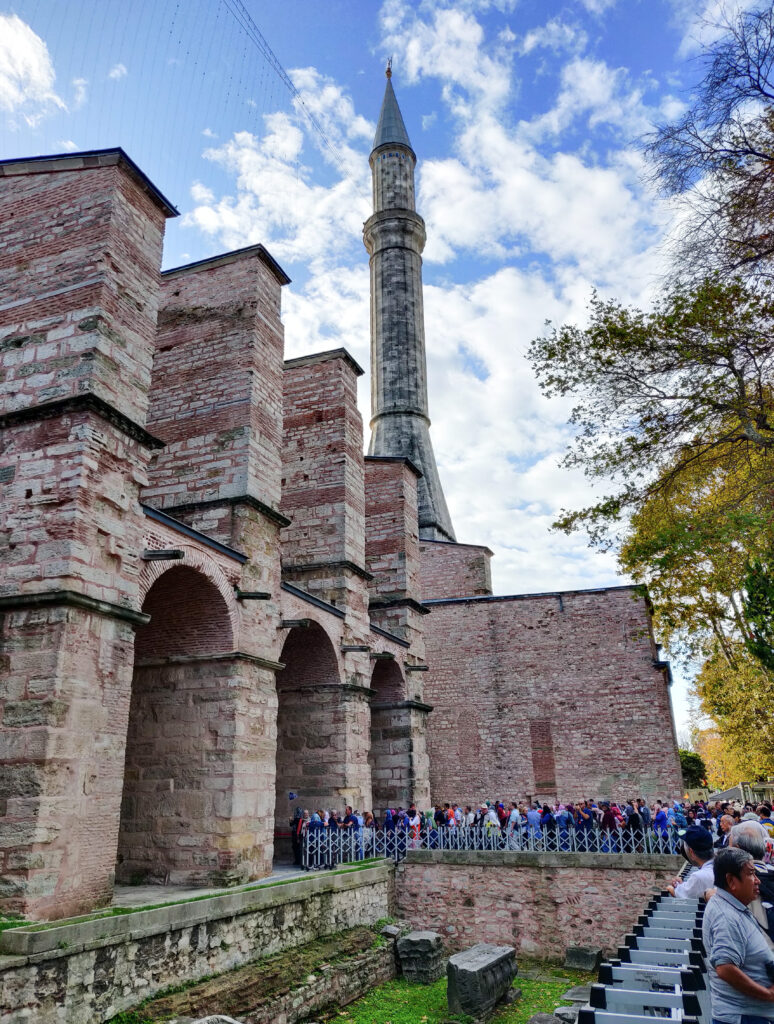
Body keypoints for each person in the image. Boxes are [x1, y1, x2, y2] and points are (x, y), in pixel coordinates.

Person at [702, 847, 774, 1024]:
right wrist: (767, 994)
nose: (757, 881)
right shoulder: (726, 917)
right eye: (751, 874)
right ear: (731, 881)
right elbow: (725, 968)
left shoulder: (731, 905)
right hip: (744, 1016)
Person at [668, 825, 715, 899]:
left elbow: (680, 894)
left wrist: (671, 888)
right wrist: (682, 885)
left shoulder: (698, 876)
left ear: (691, 852)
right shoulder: (719, 865)